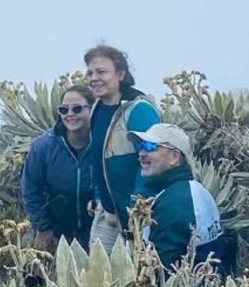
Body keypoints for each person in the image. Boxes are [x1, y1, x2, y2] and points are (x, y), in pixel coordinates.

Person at [84, 43, 160, 251]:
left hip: (138, 219)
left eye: (101, 72)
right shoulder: (97, 110)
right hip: (108, 215)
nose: (93, 78)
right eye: (90, 73)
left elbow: (154, 163)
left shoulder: (139, 110)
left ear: (120, 74)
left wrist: (136, 212)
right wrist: (98, 198)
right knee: (98, 269)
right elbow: (98, 161)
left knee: (138, 270)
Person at [129, 123, 232, 273]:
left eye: (150, 146)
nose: (141, 154)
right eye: (141, 146)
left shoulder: (175, 202)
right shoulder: (194, 190)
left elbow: (162, 269)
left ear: (175, 156)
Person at [20, 84, 98, 249]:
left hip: (97, 229)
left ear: (92, 109)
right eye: (64, 109)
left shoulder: (103, 142)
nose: (70, 114)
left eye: (77, 109)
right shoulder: (43, 146)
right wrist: (43, 228)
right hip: (56, 230)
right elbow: (30, 189)